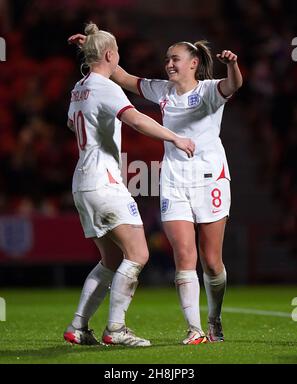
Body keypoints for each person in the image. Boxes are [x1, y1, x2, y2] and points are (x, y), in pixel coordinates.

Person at [68, 34, 242, 345]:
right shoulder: (159, 89)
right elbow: (119, 74)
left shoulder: (209, 89)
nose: (168, 64)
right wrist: (92, 46)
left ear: (194, 63)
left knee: (212, 261)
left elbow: (233, 86)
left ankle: (213, 316)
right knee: (183, 254)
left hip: (211, 178)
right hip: (173, 179)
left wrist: (232, 66)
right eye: (166, 59)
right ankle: (195, 330)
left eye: (175, 59)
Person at [64, 23, 195, 347]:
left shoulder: (80, 87)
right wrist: (175, 137)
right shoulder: (105, 87)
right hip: (103, 181)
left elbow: (72, 123)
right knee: (138, 253)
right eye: (117, 53)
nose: (118, 57)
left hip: (82, 181)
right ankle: (116, 329)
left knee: (110, 260)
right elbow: (135, 119)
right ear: (110, 54)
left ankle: (78, 327)